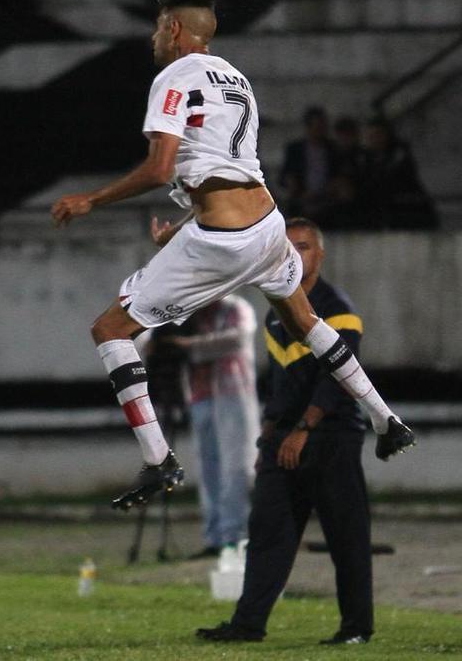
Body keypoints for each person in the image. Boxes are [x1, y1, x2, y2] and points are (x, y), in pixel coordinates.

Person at [50, 0, 414, 511]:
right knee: (303, 318)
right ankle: (386, 420)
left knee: (110, 330)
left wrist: (91, 199)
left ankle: (158, 460)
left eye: (158, 28)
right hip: (267, 225)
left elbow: (159, 169)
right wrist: (180, 228)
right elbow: (227, 173)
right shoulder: (234, 77)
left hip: (222, 242)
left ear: (175, 29)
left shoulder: (173, 78)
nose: (154, 38)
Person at [197, 217, 378, 645]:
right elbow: (279, 383)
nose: (296, 254)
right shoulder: (277, 312)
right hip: (285, 438)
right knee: (267, 534)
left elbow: (339, 378)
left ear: (320, 254)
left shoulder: (337, 310)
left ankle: (356, 629)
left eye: (305, 247)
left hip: (330, 436)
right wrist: (268, 437)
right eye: (288, 247)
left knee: (345, 538)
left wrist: (302, 429)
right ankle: (248, 624)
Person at [159, 295, 258, 557]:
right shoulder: (187, 311)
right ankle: (215, 538)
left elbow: (237, 338)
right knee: (208, 468)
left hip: (233, 393)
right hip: (200, 396)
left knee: (236, 468)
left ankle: (235, 536)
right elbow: (151, 341)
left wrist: (187, 346)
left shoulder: (236, 308)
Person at [357, 114, 439, 230]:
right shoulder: (365, 158)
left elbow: (400, 180)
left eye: (378, 134)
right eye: (371, 136)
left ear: (387, 135)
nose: (375, 139)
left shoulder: (399, 154)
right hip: (381, 210)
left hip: (405, 209)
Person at [279, 105, 334, 221]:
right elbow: (284, 177)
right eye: (316, 127)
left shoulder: (332, 149)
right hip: (302, 198)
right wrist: (296, 188)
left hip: (327, 198)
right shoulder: (295, 150)